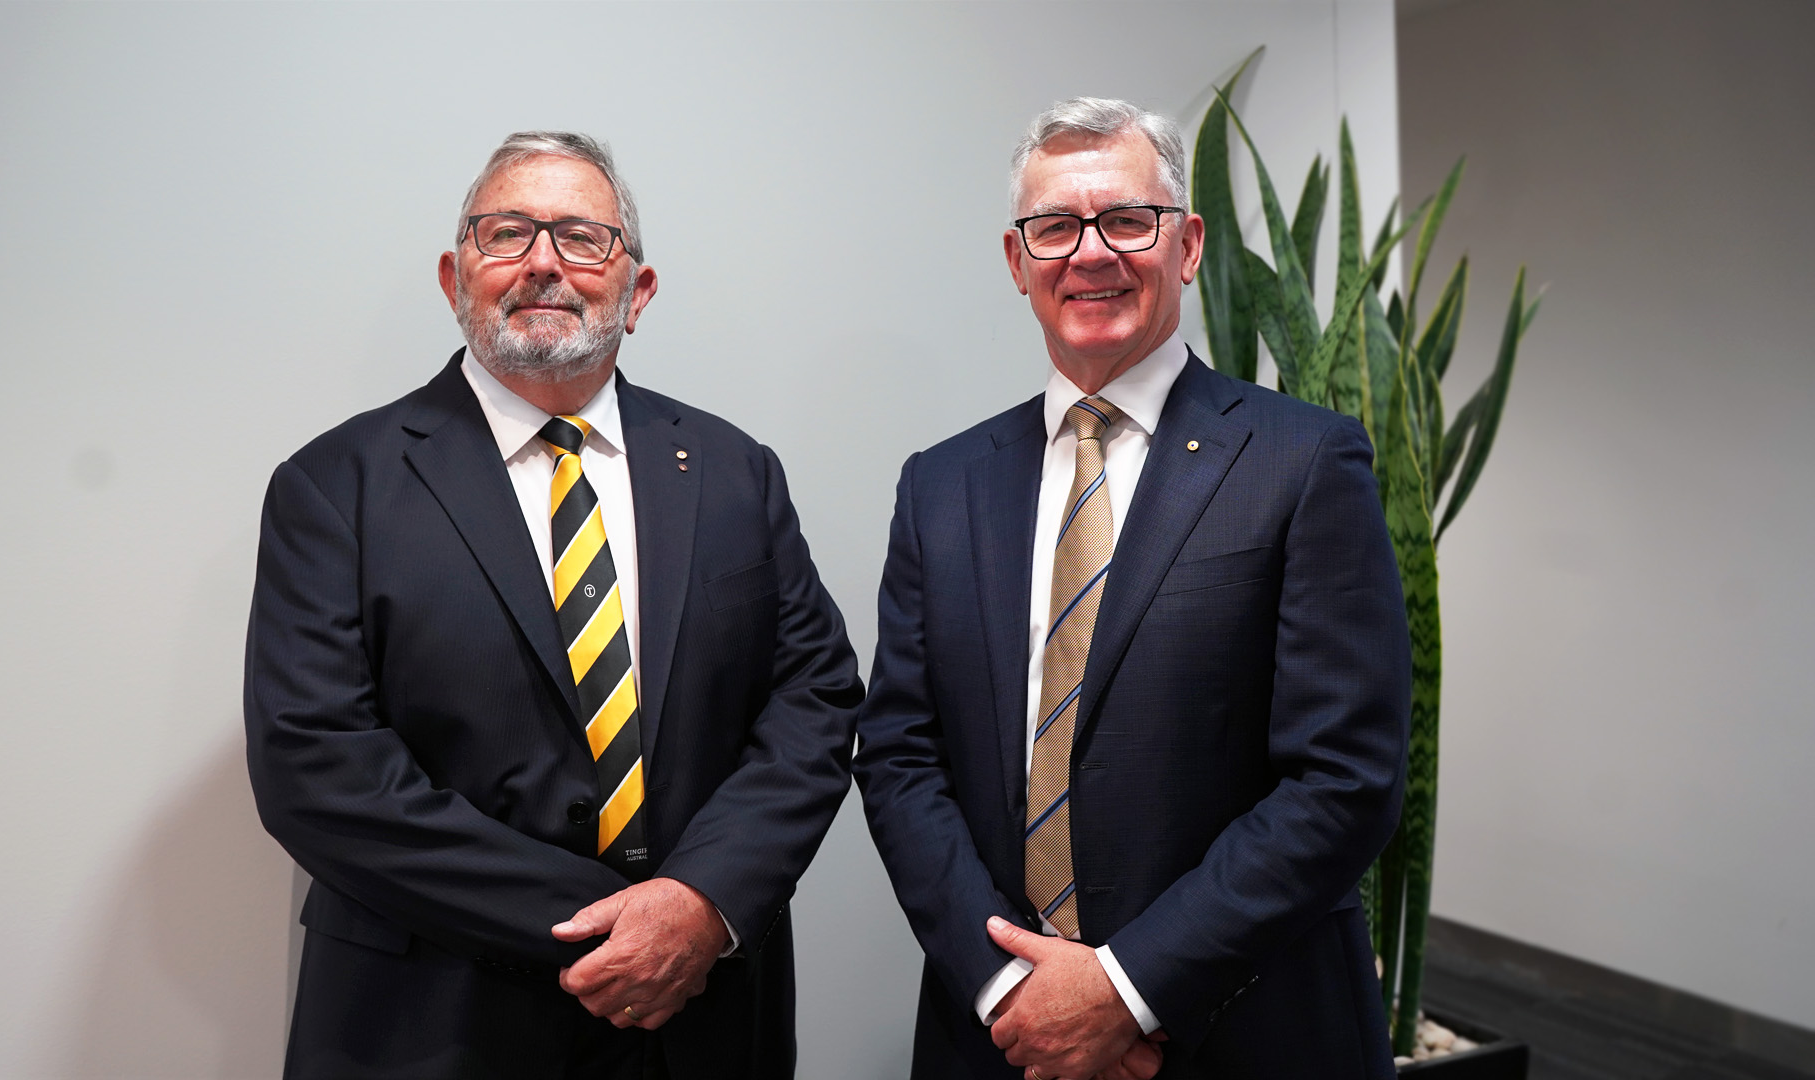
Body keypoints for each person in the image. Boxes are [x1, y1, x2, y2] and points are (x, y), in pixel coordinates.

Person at [243, 130, 862, 1080]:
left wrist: (700, 901)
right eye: (507, 235)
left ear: (638, 290)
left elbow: (813, 703)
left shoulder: (737, 472)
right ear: (457, 277)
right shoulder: (334, 487)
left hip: (699, 1023)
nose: (543, 263)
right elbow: (317, 768)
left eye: (582, 237)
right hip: (431, 1025)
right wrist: (613, 923)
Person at [853, 98, 1409, 1080]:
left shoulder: (1306, 460)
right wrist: (1007, 983)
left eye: (1127, 221)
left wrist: (1127, 988)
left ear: (1187, 244)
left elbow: (1344, 776)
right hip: (997, 1036)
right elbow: (899, 752)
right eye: (1055, 227)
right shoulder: (940, 485)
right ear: (1018, 261)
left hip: (1241, 1030)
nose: (1091, 253)